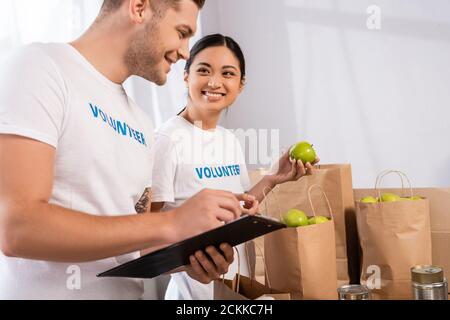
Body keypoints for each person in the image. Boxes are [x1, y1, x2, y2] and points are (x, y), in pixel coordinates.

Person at [0, 0, 251, 300]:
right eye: (182, 32)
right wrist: (172, 222)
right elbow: (16, 227)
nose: (185, 51)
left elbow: (132, 249)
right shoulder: (42, 67)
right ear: (139, 7)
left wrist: (187, 261)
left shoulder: (142, 124)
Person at [148, 34, 319, 300]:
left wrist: (273, 179)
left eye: (227, 73)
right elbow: (145, 236)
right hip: (191, 297)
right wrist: (190, 265)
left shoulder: (229, 140)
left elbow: (237, 210)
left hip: (232, 290)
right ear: (186, 76)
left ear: (240, 85)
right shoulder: (167, 140)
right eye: (203, 70)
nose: (214, 82)